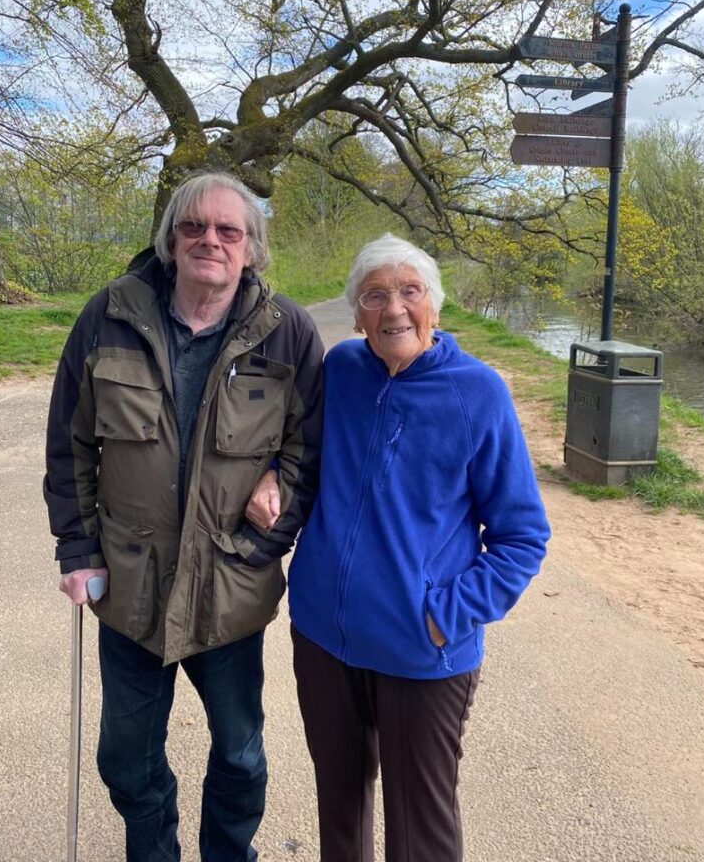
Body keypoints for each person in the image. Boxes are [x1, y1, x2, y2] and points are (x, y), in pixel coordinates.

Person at [44, 171, 324, 862]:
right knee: (125, 762)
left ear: (252, 249)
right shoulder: (105, 317)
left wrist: (266, 538)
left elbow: (310, 449)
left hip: (229, 589)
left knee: (240, 756)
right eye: (194, 226)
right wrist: (79, 549)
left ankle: (228, 854)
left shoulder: (288, 333)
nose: (211, 241)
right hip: (132, 589)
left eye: (229, 231)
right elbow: (70, 444)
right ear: (170, 240)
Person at [249, 232, 550, 862]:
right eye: (375, 295)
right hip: (326, 639)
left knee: (421, 829)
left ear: (435, 306)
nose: (394, 310)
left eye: (410, 292)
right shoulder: (341, 370)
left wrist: (444, 616)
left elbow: (523, 536)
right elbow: (296, 447)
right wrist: (274, 469)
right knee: (340, 806)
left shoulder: (478, 393)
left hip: (422, 651)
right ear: (356, 312)